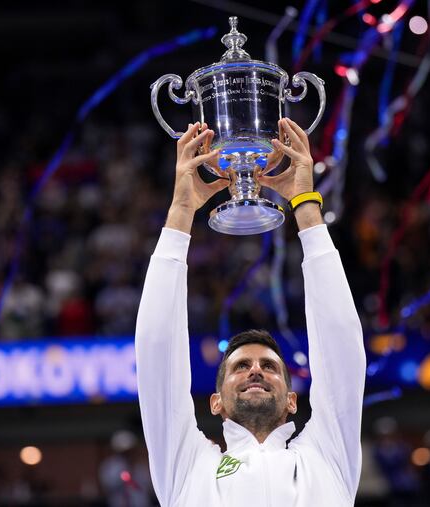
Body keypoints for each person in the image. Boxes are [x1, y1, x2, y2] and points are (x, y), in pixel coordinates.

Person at [135, 119, 366, 506]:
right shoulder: (187, 465)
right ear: (216, 402)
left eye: (270, 367)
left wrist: (305, 206)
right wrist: (181, 211)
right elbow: (156, 351)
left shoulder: (327, 455)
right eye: (241, 367)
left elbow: (341, 344)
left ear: (293, 400)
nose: (256, 370)